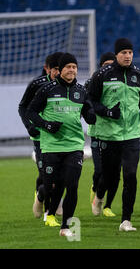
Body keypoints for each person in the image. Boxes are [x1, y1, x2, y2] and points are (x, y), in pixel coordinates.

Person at [27, 53, 96, 237]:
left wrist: (91, 115)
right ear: (60, 70)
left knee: (72, 185)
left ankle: (65, 226)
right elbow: (31, 112)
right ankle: (44, 203)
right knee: (52, 187)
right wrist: (46, 125)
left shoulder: (81, 91)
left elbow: (88, 110)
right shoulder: (47, 89)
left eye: (74, 67)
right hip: (51, 146)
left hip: (74, 146)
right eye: (68, 67)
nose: (72, 70)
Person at [89, 38, 140, 232]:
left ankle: (126, 219)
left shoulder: (139, 75)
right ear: (116, 54)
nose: (128, 56)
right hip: (109, 135)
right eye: (124, 53)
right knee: (108, 176)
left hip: (132, 134)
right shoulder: (102, 74)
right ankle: (99, 197)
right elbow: (90, 100)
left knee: (131, 175)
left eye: (130, 53)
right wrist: (107, 112)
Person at [19, 52, 62, 218]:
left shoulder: (69, 87)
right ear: (47, 69)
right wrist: (30, 126)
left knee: (58, 176)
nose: (59, 73)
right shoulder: (37, 85)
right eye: (56, 69)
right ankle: (47, 212)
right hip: (41, 138)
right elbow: (23, 107)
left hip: (61, 138)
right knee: (49, 177)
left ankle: (41, 195)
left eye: (62, 68)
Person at [86, 52, 117, 217]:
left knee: (114, 173)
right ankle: (95, 187)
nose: (109, 68)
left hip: (115, 133)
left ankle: (107, 205)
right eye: (106, 65)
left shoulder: (119, 82)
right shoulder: (92, 83)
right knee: (100, 170)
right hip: (97, 132)